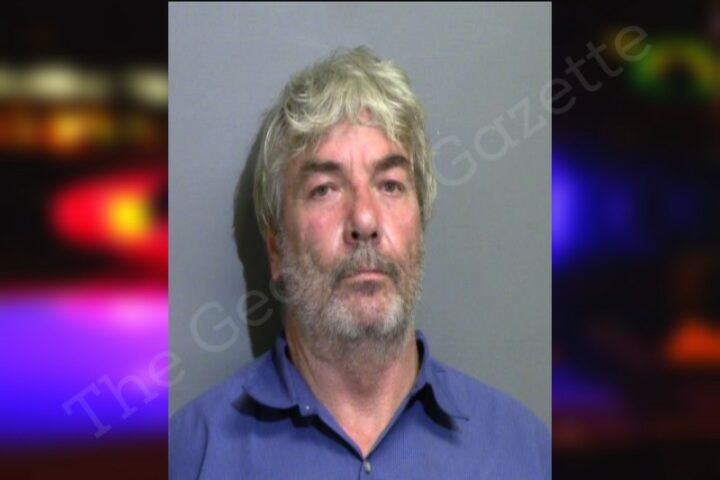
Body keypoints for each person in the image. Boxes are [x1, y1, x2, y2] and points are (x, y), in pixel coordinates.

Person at [170, 46, 549, 479]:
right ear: (275, 248)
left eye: (390, 185)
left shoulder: (525, 452)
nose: (365, 220)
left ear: (420, 226)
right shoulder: (190, 456)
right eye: (325, 189)